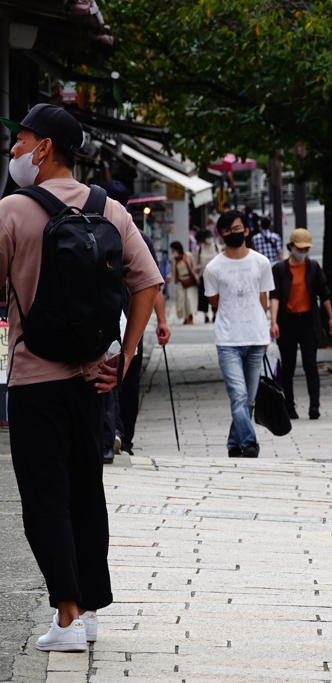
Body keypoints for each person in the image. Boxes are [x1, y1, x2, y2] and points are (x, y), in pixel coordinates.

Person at [0, 104, 163, 651]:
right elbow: (147, 284)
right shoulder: (109, 209)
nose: (14, 150)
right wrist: (126, 355)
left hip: (34, 379)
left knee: (44, 498)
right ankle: (89, 609)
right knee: (86, 493)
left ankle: (66, 618)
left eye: (21, 141)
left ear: (44, 149)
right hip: (93, 379)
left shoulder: (12, 209)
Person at [98, 180, 171, 461]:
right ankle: (124, 438)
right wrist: (161, 321)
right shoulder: (138, 236)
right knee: (127, 384)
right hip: (132, 324)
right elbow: (153, 285)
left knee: (105, 379)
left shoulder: (88, 229)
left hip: (103, 322)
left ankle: (113, 434)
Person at [203, 210, 275, 457]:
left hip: (255, 337)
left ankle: (234, 443)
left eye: (237, 229)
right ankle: (249, 442)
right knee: (239, 395)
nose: (232, 233)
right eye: (227, 230)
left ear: (246, 230)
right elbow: (214, 301)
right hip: (228, 340)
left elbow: (263, 299)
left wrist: (264, 331)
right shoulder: (213, 268)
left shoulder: (261, 263)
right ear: (220, 234)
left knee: (250, 399)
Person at [269, 228, 332, 420]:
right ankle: (289, 405)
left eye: (306, 249)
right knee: (288, 366)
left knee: (310, 363)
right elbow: (275, 296)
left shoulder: (313, 267)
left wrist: (331, 317)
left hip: (308, 321)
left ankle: (314, 405)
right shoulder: (280, 269)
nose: (303, 252)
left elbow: (324, 293)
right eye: (299, 248)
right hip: (287, 322)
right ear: (290, 246)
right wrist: (273, 322)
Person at [168, 241, 200, 324]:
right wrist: (169, 277)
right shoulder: (173, 260)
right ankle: (185, 317)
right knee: (181, 300)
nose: (172, 251)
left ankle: (190, 317)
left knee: (189, 299)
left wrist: (196, 277)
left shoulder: (188, 256)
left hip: (190, 280)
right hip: (180, 281)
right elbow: (172, 271)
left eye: (173, 249)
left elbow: (193, 267)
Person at [194, 229, 221, 323]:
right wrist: (196, 276)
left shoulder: (217, 247)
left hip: (216, 276)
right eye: (208, 237)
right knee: (203, 296)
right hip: (203, 275)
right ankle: (205, 315)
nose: (210, 239)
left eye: (211, 237)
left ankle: (215, 314)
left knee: (215, 294)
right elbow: (195, 264)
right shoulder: (199, 249)